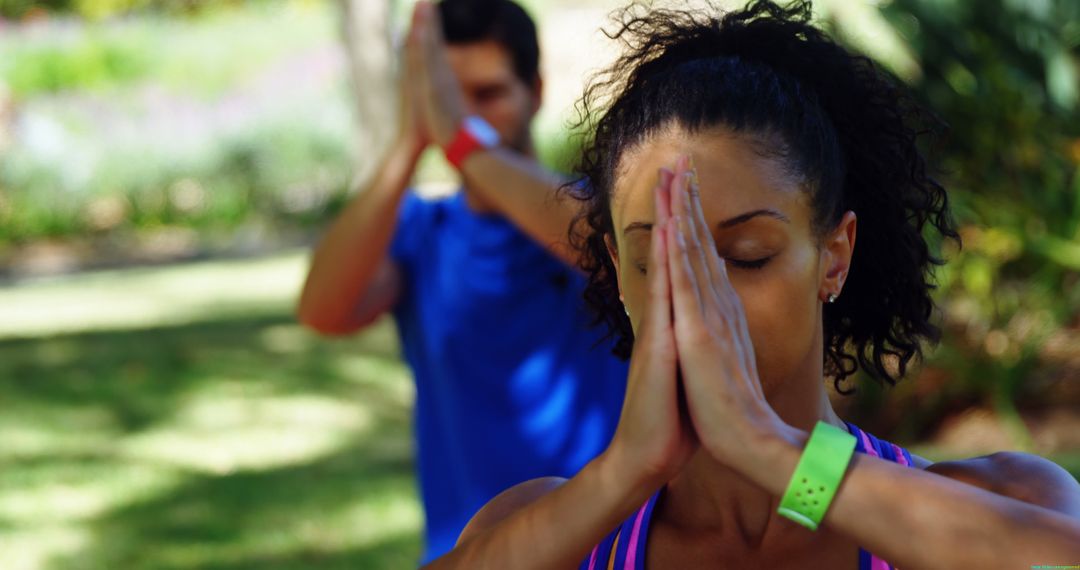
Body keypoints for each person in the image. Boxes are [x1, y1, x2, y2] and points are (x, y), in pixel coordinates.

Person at [422, 1, 1080, 568]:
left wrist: (778, 453)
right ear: (619, 275)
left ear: (834, 256)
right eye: (657, 260)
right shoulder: (553, 536)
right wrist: (625, 474)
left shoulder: (1010, 505)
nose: (700, 299)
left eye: (746, 255)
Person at [296, 0, 627, 562]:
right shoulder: (422, 233)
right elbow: (323, 310)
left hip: (609, 550)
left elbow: (608, 248)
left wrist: (462, 141)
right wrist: (410, 140)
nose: (465, 116)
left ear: (536, 91)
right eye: (448, 97)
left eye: (488, 95)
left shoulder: (594, 218)